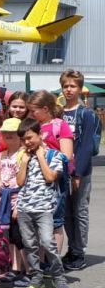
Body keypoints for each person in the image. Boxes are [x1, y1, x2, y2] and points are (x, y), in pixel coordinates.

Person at [15, 118, 70, 288]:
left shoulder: (54, 155)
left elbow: (50, 177)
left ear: (40, 135)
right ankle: (36, 275)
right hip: (25, 207)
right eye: (24, 139)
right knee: (30, 244)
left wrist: (40, 156)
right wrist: (24, 162)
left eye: (30, 137)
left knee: (47, 242)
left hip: (45, 208)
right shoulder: (23, 156)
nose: (27, 142)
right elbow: (20, 181)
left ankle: (58, 276)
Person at [59, 70, 98, 270]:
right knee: (65, 213)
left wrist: (78, 173)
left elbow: (86, 146)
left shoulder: (86, 113)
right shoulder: (59, 112)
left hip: (81, 172)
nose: (68, 90)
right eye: (65, 86)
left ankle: (79, 251)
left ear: (80, 88)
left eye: (73, 86)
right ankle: (71, 249)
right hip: (61, 171)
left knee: (80, 211)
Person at [28, 90, 74, 254]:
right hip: (35, 180)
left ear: (46, 109)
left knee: (55, 221)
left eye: (34, 111)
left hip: (55, 180)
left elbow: (66, 156)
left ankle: (54, 262)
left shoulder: (59, 125)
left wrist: (45, 152)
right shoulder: (33, 126)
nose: (31, 114)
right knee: (37, 221)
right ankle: (41, 260)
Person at [0, 118, 30, 287]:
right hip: (4, 200)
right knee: (11, 237)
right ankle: (14, 267)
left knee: (21, 237)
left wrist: (19, 204)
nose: (8, 137)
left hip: (18, 199)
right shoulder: (2, 155)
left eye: (12, 134)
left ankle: (29, 271)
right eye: (5, 134)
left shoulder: (24, 155)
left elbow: (27, 182)